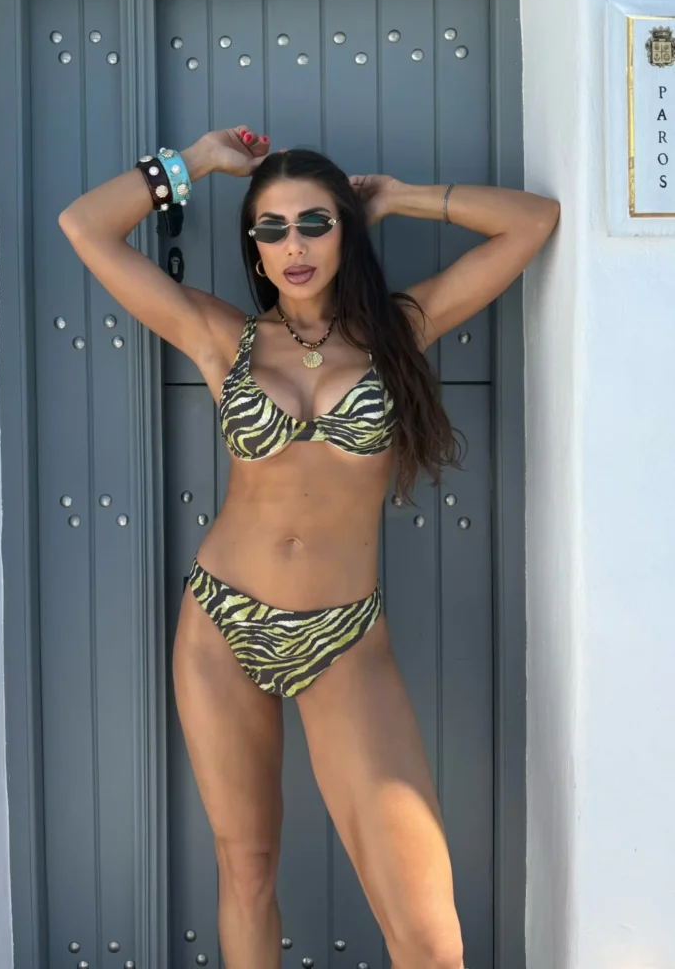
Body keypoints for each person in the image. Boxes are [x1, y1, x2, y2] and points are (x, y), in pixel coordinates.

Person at [59, 125, 559, 969]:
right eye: (272, 229)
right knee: (248, 867)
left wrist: (401, 197)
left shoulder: (399, 330)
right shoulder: (224, 338)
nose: (294, 246)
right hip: (222, 623)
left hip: (343, 637)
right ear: (254, 247)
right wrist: (197, 162)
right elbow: (84, 226)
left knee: (428, 934)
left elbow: (533, 222)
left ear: (345, 232)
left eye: (314, 223)